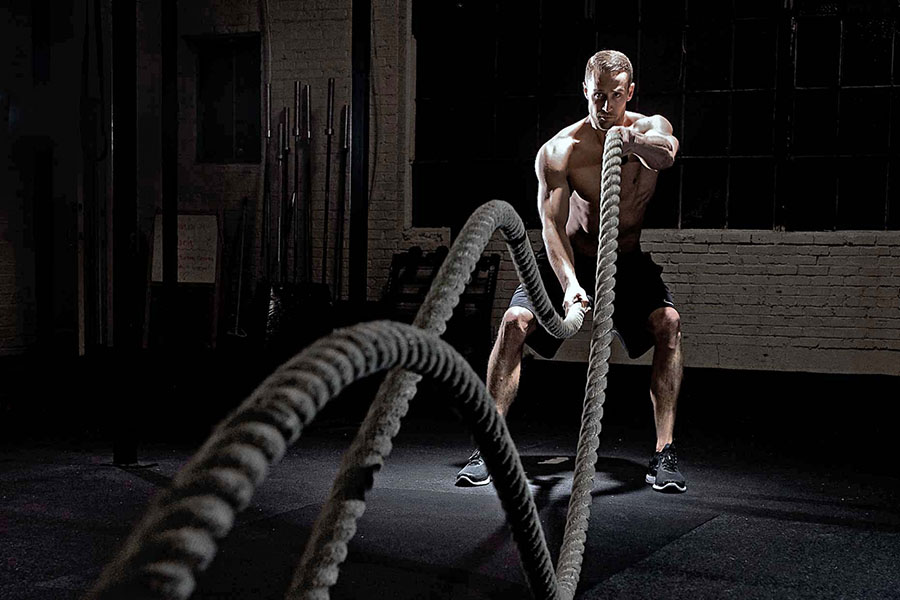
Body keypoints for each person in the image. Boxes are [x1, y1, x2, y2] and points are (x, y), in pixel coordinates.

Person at [456, 50, 686, 493]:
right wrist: (569, 285)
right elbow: (552, 227)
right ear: (585, 90)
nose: (605, 106)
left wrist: (628, 142)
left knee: (669, 324)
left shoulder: (650, 129)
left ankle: (664, 453)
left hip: (627, 261)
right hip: (574, 257)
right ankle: (486, 446)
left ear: (629, 94)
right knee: (514, 322)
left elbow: (667, 155)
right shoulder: (560, 151)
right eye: (597, 96)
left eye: (615, 97)